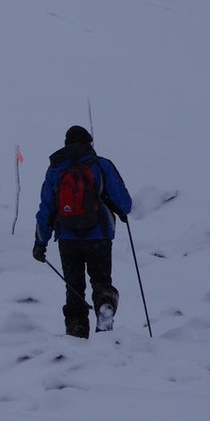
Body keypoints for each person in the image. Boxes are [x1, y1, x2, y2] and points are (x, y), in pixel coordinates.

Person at [33, 125, 133, 338]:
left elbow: (46, 208)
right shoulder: (101, 165)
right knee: (101, 280)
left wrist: (40, 243)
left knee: (74, 287)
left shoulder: (56, 169)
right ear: (89, 142)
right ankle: (105, 306)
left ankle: (76, 331)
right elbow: (124, 203)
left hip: (68, 238)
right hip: (99, 236)